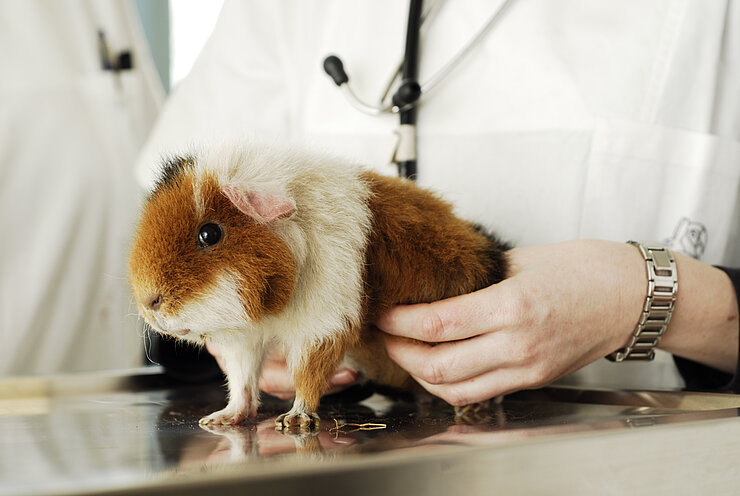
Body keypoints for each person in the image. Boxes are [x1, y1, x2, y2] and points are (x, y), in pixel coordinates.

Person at [136, 0, 740, 398]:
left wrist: (646, 297)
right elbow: (172, 253)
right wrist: (230, 341)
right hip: (350, 463)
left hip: (637, 459)